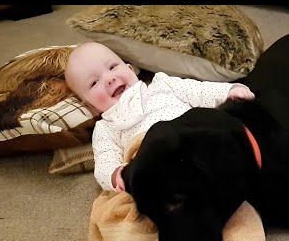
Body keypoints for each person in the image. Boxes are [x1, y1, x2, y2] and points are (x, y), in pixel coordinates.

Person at [64, 42, 255, 192]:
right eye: (94, 82)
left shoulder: (162, 85)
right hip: (159, 167)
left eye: (113, 67)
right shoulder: (106, 128)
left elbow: (199, 91)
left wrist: (229, 91)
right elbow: (104, 162)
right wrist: (116, 175)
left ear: (131, 70)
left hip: (195, 137)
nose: (109, 78)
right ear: (90, 106)